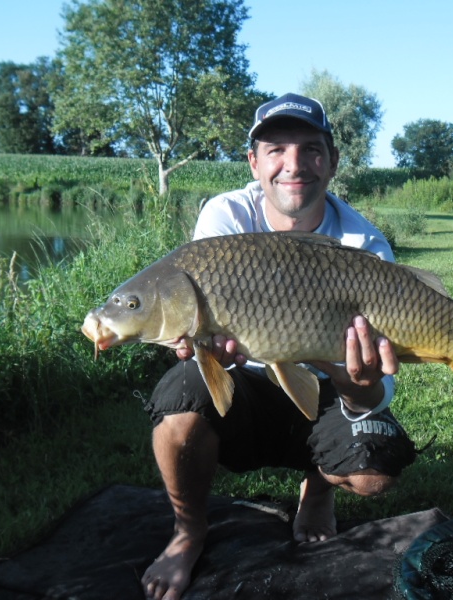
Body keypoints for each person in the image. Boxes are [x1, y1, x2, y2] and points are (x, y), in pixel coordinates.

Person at [141, 93, 417, 600]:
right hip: (251, 384)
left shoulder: (365, 246)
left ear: (332, 161)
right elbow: (198, 333)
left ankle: (316, 494)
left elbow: (376, 394)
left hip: (326, 389)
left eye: (312, 149)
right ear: (254, 161)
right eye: (276, 150)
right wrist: (206, 349)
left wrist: (359, 387)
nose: (294, 165)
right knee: (180, 391)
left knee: (374, 471)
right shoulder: (224, 219)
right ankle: (188, 531)